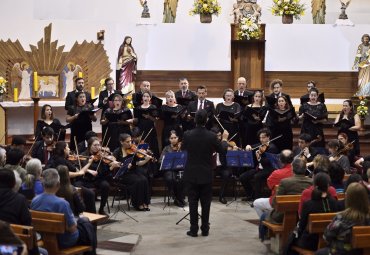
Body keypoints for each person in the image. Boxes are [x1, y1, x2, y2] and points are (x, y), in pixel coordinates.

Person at [181, 109, 229, 237]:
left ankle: (193, 229)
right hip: (206, 173)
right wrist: (224, 139)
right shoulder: (211, 136)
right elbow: (222, 150)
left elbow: (183, 148)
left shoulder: (187, 134)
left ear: (195, 120)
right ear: (206, 120)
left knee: (192, 202)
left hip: (191, 173)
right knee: (206, 203)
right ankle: (205, 229)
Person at [31, 168, 97, 252]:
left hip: (44, 237)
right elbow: (72, 229)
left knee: (84, 223)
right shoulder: (62, 203)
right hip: (64, 241)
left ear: (42, 184)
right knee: (87, 227)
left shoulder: (35, 200)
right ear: (58, 185)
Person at [289, 172, 338, 253]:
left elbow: (302, 225)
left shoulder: (309, 204)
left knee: (290, 242)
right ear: (328, 186)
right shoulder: (334, 202)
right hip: (330, 240)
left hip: (310, 242)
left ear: (314, 185)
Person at [316, 183, 370, 255]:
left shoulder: (341, 217)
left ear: (348, 198)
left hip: (340, 252)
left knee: (319, 252)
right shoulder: (367, 217)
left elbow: (326, 237)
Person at [46, 141, 96, 213]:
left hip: (67, 183)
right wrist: (78, 173)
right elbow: (66, 173)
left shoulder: (61, 158)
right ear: (64, 149)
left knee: (88, 192)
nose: (69, 149)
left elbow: (80, 171)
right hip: (66, 185)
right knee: (90, 194)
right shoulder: (60, 160)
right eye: (68, 147)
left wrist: (88, 163)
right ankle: (92, 219)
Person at [113, 133, 151, 211]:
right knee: (137, 181)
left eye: (130, 141)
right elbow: (113, 163)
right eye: (127, 142)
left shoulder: (134, 150)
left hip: (133, 172)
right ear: (121, 142)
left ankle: (145, 202)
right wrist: (123, 165)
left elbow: (138, 164)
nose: (130, 143)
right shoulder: (117, 151)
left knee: (144, 179)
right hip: (123, 174)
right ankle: (137, 203)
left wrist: (146, 160)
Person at [240, 128, 279, 200]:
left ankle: (257, 198)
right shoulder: (261, 145)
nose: (261, 139)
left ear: (268, 137)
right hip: (259, 168)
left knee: (257, 177)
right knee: (243, 177)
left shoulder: (272, 148)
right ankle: (250, 195)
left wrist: (260, 157)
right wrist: (248, 146)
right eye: (260, 137)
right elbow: (252, 146)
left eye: (263, 137)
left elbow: (268, 162)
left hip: (269, 169)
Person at [253, 150, 294, 218]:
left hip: (277, 203)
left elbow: (269, 186)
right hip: (294, 203)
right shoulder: (297, 171)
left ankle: (266, 220)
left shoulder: (276, 173)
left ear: (280, 160)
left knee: (256, 203)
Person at [160, 130, 185, 207]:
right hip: (169, 170)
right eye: (171, 138)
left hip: (180, 169)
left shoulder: (182, 147)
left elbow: (186, 158)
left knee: (182, 179)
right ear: (169, 139)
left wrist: (181, 151)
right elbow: (160, 160)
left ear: (178, 138)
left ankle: (180, 198)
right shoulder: (166, 148)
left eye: (175, 137)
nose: (174, 139)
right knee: (171, 179)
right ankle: (176, 197)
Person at [133, 91, 160, 158]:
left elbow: (156, 120)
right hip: (141, 129)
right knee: (142, 145)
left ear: (150, 98)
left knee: (152, 145)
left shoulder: (153, 107)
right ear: (142, 98)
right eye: (144, 96)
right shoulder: (138, 108)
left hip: (150, 129)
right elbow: (136, 120)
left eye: (147, 96)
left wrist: (149, 117)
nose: (146, 98)